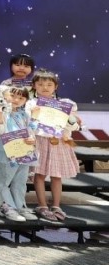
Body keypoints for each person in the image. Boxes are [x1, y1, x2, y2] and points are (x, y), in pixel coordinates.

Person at [30, 70, 80, 222]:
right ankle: (42, 206)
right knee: (39, 174)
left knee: (56, 175)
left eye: (49, 84)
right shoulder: (31, 103)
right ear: (34, 86)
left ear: (55, 87)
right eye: (40, 84)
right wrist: (34, 116)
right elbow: (29, 124)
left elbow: (74, 126)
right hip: (40, 141)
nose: (45, 87)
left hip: (58, 142)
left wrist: (72, 120)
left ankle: (56, 206)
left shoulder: (66, 104)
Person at [0, 85, 34, 222]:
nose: (16, 100)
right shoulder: (1, 112)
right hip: (7, 151)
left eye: (21, 98)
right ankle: (5, 206)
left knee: (21, 180)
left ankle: (20, 205)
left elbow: (31, 130)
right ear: (4, 96)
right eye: (13, 96)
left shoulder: (25, 115)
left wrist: (31, 138)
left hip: (23, 151)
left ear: (25, 100)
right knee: (4, 179)